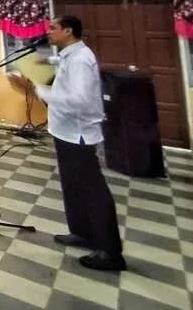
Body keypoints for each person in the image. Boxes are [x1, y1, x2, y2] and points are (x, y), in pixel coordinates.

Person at [8, 15, 125, 271]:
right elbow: (61, 67)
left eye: (53, 28)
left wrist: (38, 91)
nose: (48, 32)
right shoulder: (69, 55)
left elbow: (80, 99)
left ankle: (110, 251)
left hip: (78, 133)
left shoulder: (81, 59)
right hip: (64, 131)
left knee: (92, 191)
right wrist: (42, 63)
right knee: (72, 186)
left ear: (68, 31)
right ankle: (82, 232)